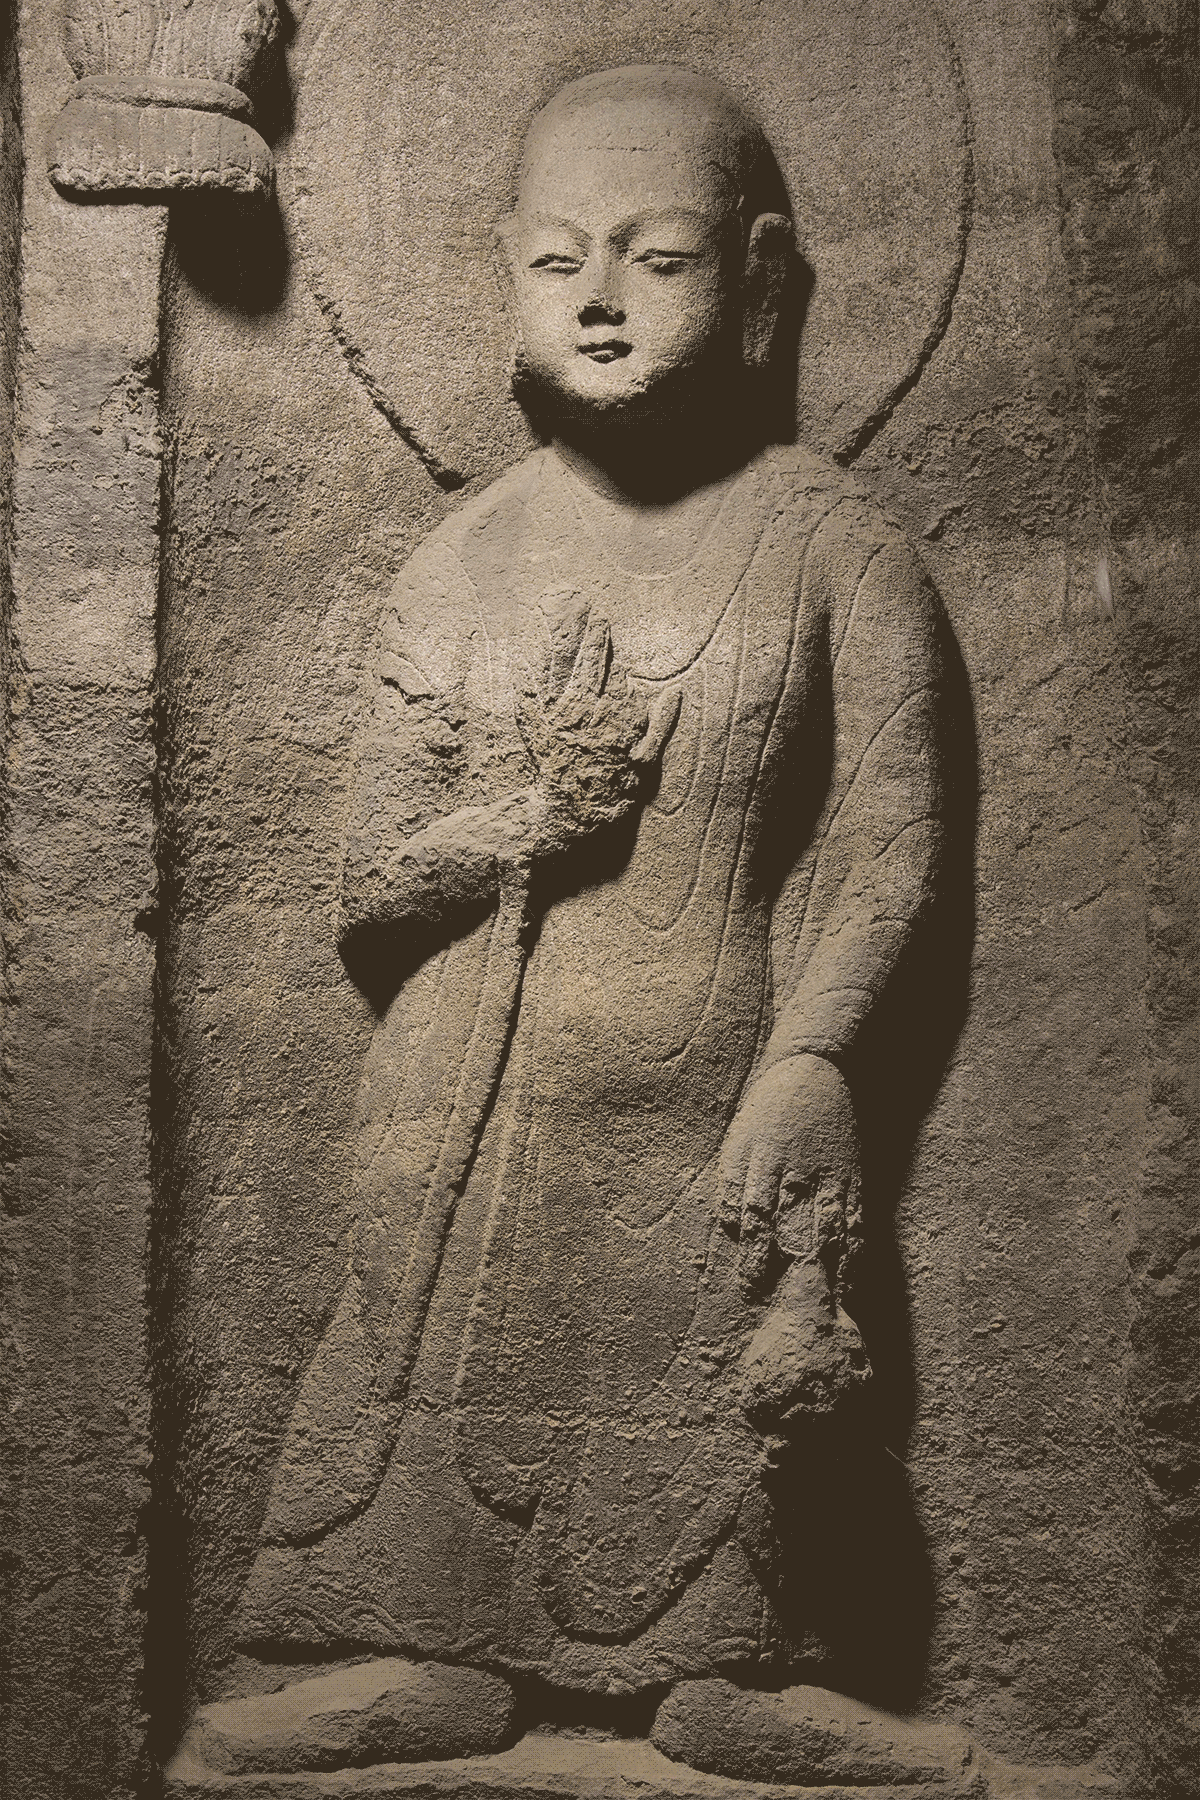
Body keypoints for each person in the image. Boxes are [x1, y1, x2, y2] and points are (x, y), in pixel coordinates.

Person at [210, 62, 952, 1774]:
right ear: (505, 278)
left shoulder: (834, 546)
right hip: (460, 1087)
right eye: (557, 262)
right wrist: (530, 817)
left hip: (715, 1080)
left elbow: (890, 842)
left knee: (713, 1396)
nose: (601, 299)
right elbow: (367, 880)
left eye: (656, 258)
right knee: (431, 1384)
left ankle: (731, 1678)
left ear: (758, 278)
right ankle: (426, 1656)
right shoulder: (465, 559)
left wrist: (816, 1057)